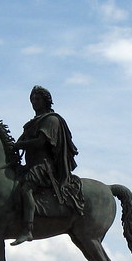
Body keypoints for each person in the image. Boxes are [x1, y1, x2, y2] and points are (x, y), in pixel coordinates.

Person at [11, 85, 84, 245]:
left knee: (26, 188)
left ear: (46, 101)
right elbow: (21, 141)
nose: (34, 102)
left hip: (44, 166)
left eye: (37, 99)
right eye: (32, 99)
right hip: (30, 164)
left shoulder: (51, 120)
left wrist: (19, 146)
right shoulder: (33, 122)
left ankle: (28, 230)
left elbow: (40, 142)